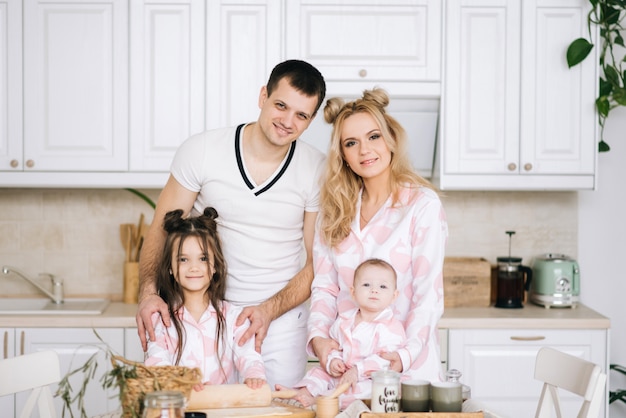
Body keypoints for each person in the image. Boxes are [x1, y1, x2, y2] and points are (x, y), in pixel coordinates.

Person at [136, 59, 327, 387]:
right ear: (263, 96)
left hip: (276, 326)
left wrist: (268, 310)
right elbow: (161, 228)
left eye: (301, 115)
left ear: (310, 122)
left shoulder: (316, 169)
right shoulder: (202, 151)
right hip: (196, 317)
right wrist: (148, 293)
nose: (287, 121)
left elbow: (317, 263)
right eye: (281, 105)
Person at [307, 88, 448, 385]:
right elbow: (324, 288)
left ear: (391, 139)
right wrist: (319, 339)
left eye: (374, 137)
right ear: (342, 155)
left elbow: (428, 297)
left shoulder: (421, 206)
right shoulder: (333, 210)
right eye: (351, 143)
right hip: (342, 372)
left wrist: (404, 355)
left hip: (405, 374)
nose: (364, 150)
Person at [144, 207, 266, 389]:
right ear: (170, 267)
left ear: (215, 265)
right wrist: (181, 381)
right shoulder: (161, 320)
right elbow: (157, 364)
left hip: (224, 410)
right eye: (183, 260)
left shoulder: (234, 318)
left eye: (202, 259)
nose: (194, 267)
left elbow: (249, 356)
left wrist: (253, 375)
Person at [279, 258, 407, 410]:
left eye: (383, 286)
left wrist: (357, 371)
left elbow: (385, 361)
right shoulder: (344, 320)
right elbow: (334, 346)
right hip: (340, 374)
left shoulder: (391, 328)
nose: (374, 290)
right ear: (353, 292)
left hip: (365, 379)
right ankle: (301, 392)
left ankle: (321, 400)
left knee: (366, 392)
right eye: (366, 285)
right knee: (318, 373)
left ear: (394, 295)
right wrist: (333, 361)